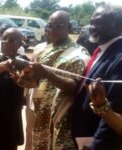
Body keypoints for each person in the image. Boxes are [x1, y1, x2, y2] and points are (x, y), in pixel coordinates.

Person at [18, 10, 90, 150]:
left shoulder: (78, 53)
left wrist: (47, 74)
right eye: (49, 25)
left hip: (61, 117)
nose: (51, 29)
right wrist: (23, 78)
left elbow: (73, 86)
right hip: (41, 112)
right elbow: (35, 81)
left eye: (58, 26)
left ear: (69, 28)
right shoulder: (44, 49)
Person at [72, 4, 122, 150]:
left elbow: (114, 109)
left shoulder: (121, 58)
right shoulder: (101, 50)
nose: (92, 27)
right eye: (91, 22)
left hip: (97, 140)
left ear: (118, 25)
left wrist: (97, 146)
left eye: (99, 23)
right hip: (83, 135)